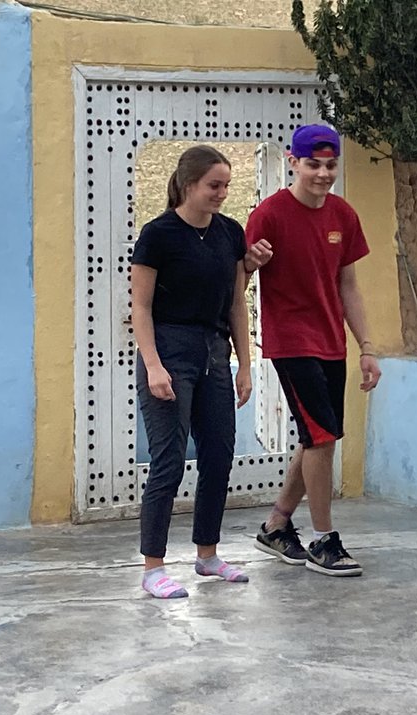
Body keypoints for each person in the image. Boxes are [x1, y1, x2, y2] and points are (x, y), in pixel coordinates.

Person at [130, 145, 270, 599]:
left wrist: (245, 364)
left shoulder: (230, 233)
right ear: (189, 184)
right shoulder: (159, 235)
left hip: (214, 352)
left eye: (227, 185)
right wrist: (153, 365)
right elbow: (141, 306)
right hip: (170, 350)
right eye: (215, 185)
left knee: (218, 453)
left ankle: (207, 554)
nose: (222, 194)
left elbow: (234, 300)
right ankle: (153, 567)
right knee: (169, 459)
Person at [245, 123, 381, 577]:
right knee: (322, 438)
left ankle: (277, 525)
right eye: (313, 165)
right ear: (293, 162)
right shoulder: (269, 214)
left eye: (330, 165)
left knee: (317, 438)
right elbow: (237, 279)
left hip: (330, 343)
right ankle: (325, 539)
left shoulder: (343, 215)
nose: (323, 174)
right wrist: (251, 262)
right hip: (291, 340)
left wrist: (367, 346)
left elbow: (349, 287)